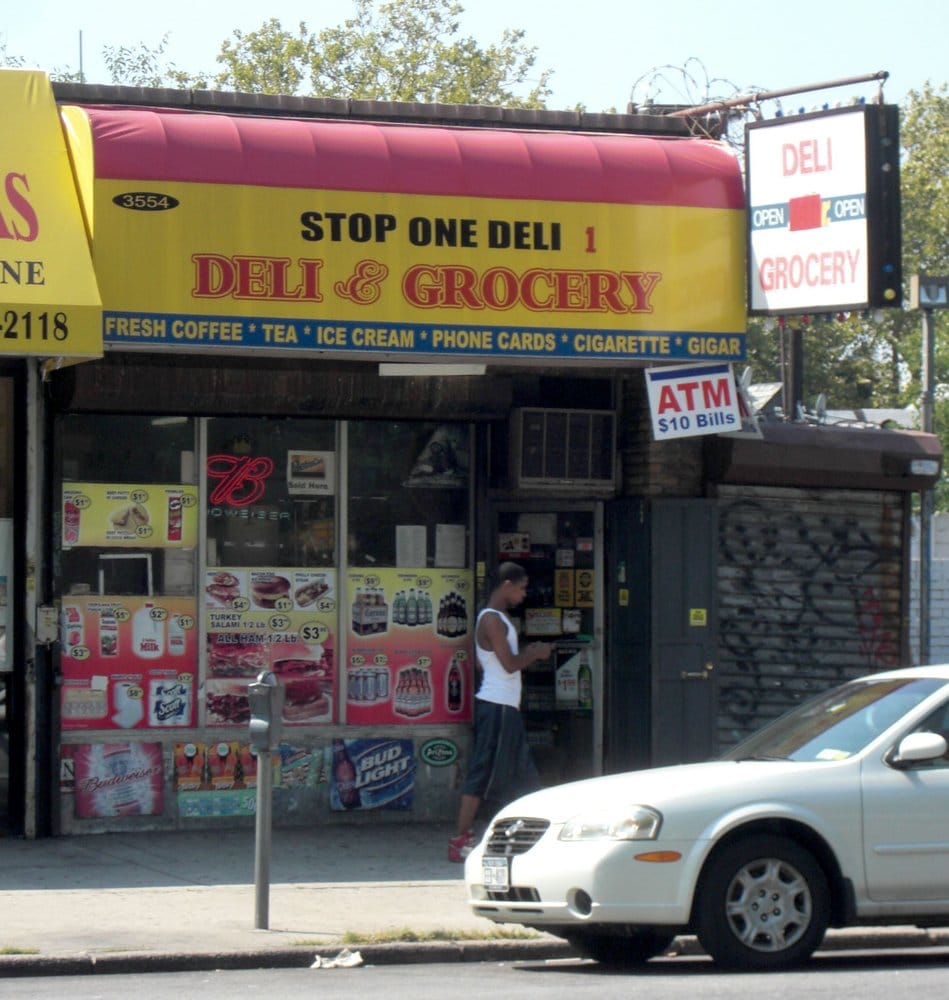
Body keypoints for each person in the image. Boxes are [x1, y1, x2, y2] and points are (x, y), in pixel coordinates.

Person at [449, 562, 554, 862]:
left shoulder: (495, 618)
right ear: (507, 585)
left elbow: (485, 662)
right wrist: (535, 653)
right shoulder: (492, 619)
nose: (524, 594)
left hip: (504, 705)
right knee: (483, 773)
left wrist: (526, 653)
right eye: (521, 588)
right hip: (497, 706)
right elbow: (509, 665)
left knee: (523, 775)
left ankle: (532, 836)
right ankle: (460, 839)